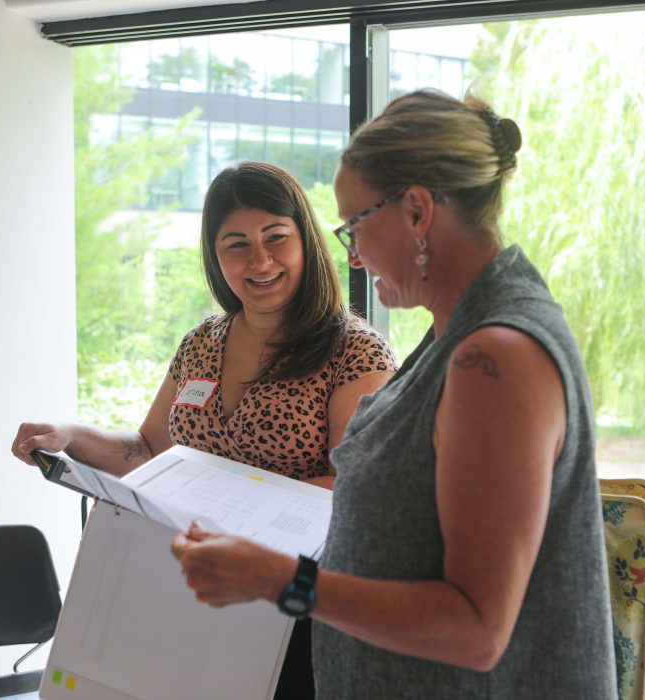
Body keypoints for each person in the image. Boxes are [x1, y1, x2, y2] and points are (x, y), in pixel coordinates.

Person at [171, 89, 617, 699]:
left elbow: (478, 629)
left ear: (416, 211)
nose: (351, 253)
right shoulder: (456, 333)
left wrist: (279, 579)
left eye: (355, 223)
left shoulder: (499, 357)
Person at [11, 161, 397, 699]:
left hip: (291, 608)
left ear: (305, 242)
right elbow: (148, 451)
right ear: (216, 257)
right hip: (193, 593)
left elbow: (354, 487)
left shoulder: (354, 350)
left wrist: (234, 512)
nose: (259, 260)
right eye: (236, 244)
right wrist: (69, 434)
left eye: (275, 238)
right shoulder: (201, 343)